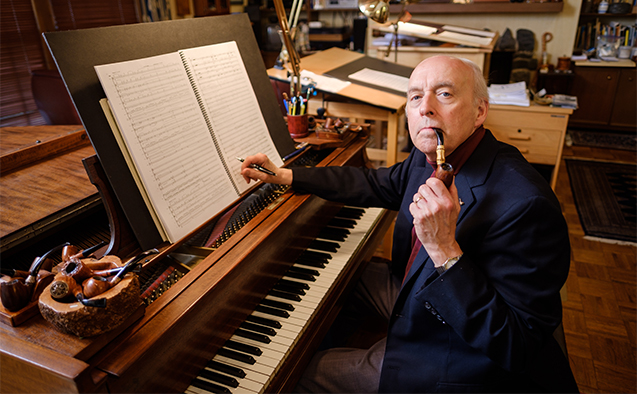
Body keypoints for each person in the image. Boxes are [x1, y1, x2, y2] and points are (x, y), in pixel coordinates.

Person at [240, 55, 578, 393]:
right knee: (327, 274)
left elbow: (514, 344)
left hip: (457, 355)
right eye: (415, 96)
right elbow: (376, 184)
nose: (425, 108)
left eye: (444, 94)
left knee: (300, 373)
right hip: (420, 296)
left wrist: (444, 249)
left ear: (479, 111)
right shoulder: (430, 154)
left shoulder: (527, 205)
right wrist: (288, 175)